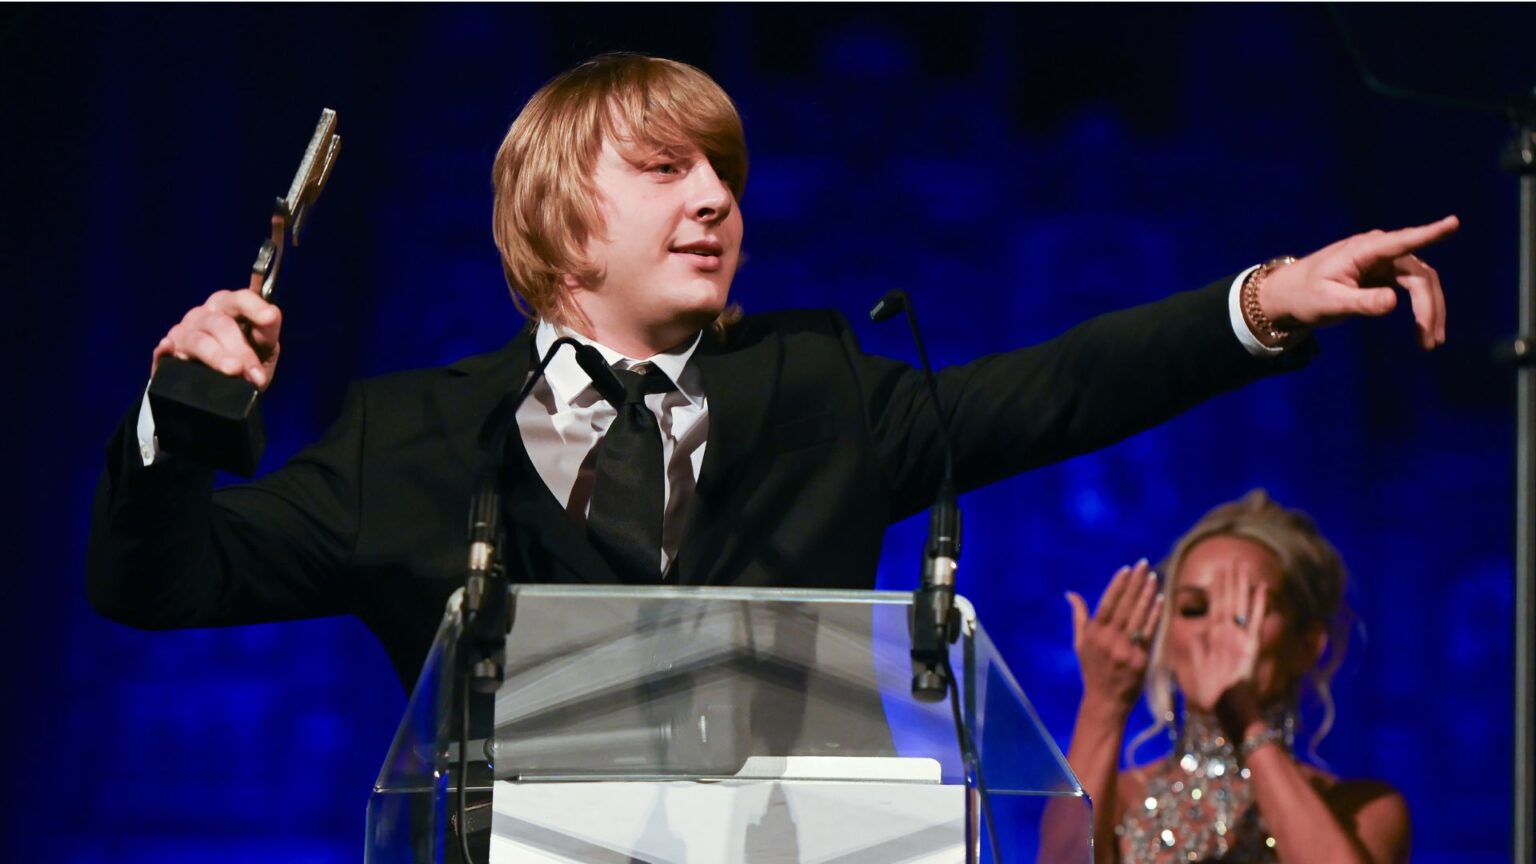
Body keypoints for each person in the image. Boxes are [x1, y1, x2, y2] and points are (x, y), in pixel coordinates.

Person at [88, 53, 1455, 695]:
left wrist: (1263, 301)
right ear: (560, 221)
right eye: (665, 169)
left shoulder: (818, 392)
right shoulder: (415, 439)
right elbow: (155, 583)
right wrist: (175, 420)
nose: (715, 201)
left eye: (726, 174)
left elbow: (1059, 387)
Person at [1063, 490, 1410, 863]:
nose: (1218, 631)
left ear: (1307, 645)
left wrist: (1244, 716)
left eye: (1246, 613)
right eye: (1195, 608)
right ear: (1166, 639)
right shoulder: (1121, 800)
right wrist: (1104, 701)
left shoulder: (1361, 810)